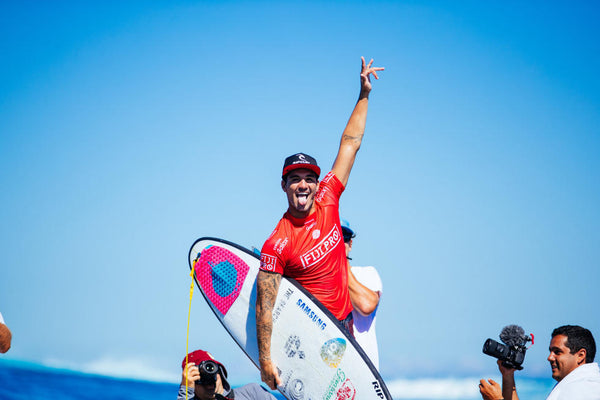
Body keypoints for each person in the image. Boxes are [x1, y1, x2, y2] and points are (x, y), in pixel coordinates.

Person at [256, 56, 384, 390]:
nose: (303, 185)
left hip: (344, 328)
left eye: (308, 179)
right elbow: (264, 307)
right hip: (310, 334)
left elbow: (350, 144)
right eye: (294, 179)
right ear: (284, 186)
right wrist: (266, 362)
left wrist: (364, 94)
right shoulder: (277, 243)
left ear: (316, 184)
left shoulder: (328, 198)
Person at [479, 325, 600, 400]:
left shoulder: (584, 387)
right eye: (550, 351)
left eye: (557, 352)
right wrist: (508, 376)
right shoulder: (578, 383)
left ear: (580, 355)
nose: (550, 357)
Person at [341, 218, 382, 370]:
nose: (337, 243)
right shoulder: (315, 282)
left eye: (343, 238)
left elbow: (366, 305)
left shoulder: (367, 274)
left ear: (350, 244)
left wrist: (339, 263)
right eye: (332, 238)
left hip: (363, 378)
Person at [178, 349, 276, 400]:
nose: (208, 382)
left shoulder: (252, 392)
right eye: (200, 378)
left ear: (219, 371)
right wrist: (186, 393)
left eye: (211, 371)